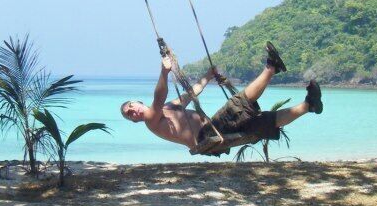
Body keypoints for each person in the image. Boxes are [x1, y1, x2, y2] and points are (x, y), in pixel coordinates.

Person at [120, 42, 322, 154]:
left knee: (265, 122)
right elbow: (158, 95)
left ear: (137, 101)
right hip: (207, 136)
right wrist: (164, 73)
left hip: (215, 133)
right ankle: (272, 67)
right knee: (238, 104)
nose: (133, 112)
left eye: (131, 107)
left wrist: (208, 75)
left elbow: (192, 92)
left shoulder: (168, 108)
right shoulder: (151, 120)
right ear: (135, 120)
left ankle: (308, 105)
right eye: (130, 115)